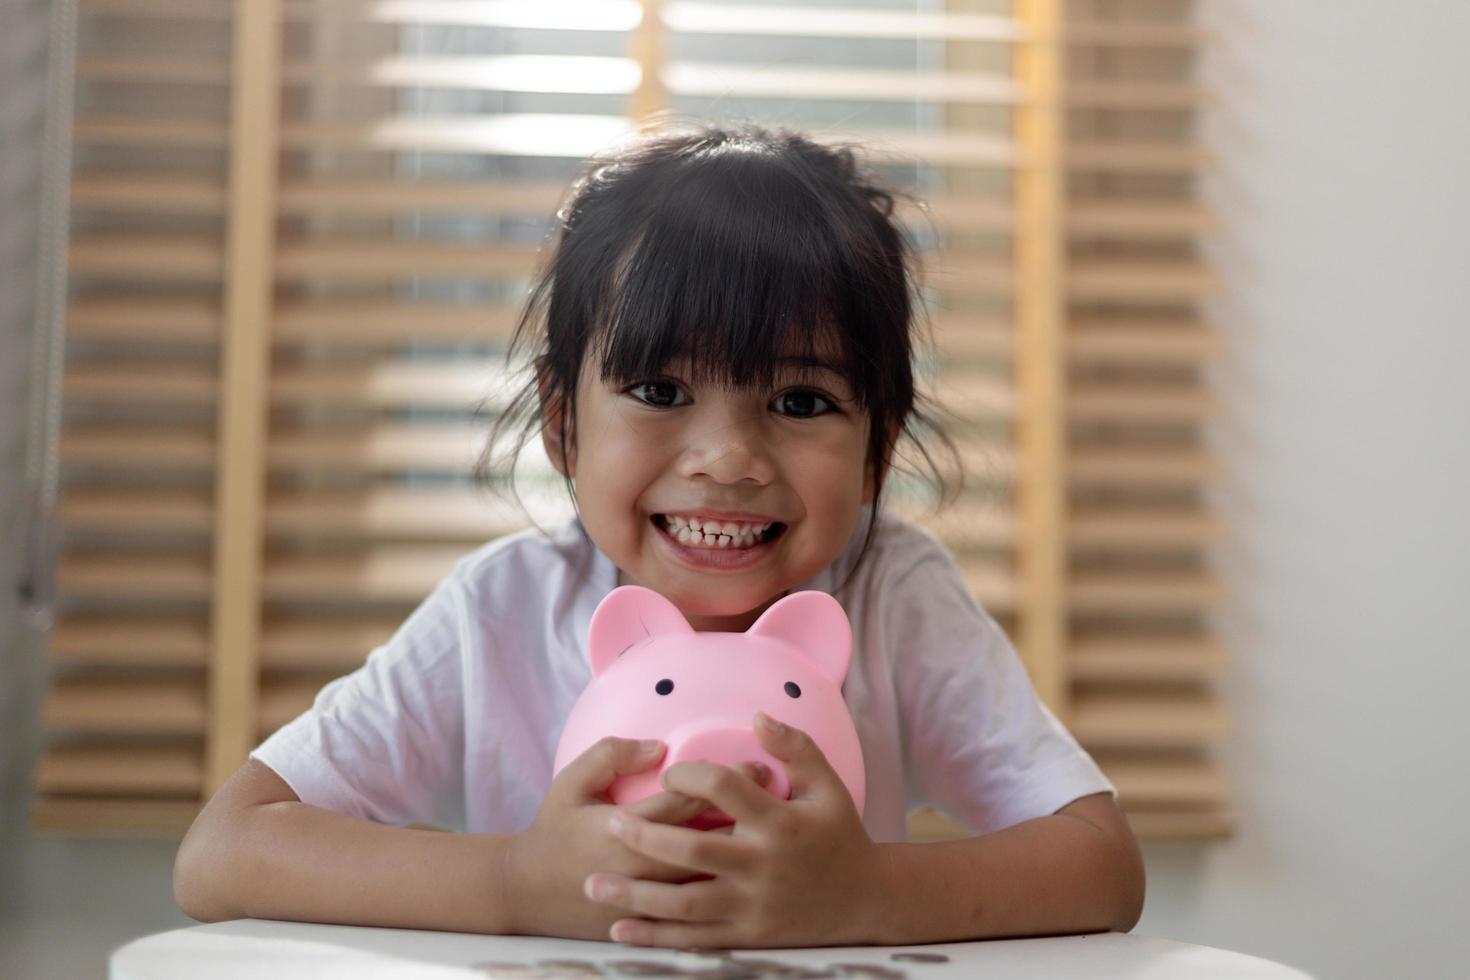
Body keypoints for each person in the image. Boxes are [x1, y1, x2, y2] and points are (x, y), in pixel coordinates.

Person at [173, 124, 1144, 948]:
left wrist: (867, 893)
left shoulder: (895, 591)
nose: (727, 456)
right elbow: (224, 851)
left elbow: (1102, 863)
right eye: (660, 390)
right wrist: (520, 881)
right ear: (562, 422)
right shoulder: (503, 608)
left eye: (800, 399)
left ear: (877, 439)